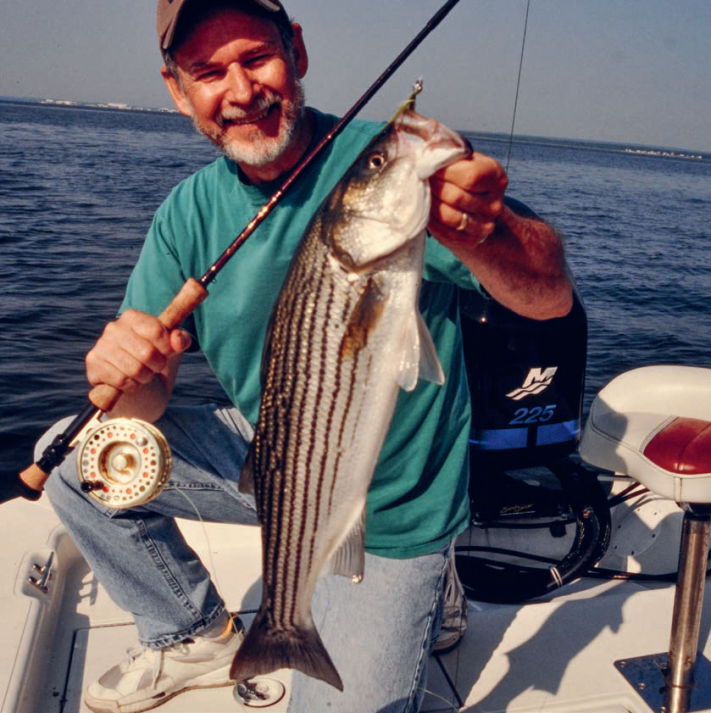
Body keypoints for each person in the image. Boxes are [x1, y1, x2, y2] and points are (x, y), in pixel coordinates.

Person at [40, 1, 573, 711]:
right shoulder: (186, 214)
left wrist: (485, 230)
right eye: (208, 72)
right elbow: (144, 408)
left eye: (256, 58)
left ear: (296, 52)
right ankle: (191, 629)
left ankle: (428, 577)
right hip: (278, 452)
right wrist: (124, 372)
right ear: (177, 90)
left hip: (399, 500)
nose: (240, 91)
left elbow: (549, 295)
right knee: (81, 459)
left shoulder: (393, 179)